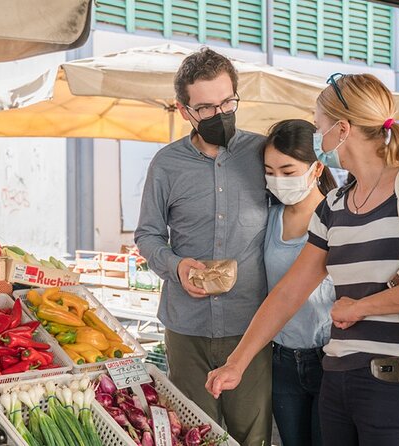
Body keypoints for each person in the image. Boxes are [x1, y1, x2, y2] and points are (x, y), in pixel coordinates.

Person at [206, 73, 399, 446]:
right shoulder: (335, 205)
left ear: (343, 129)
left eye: (319, 127)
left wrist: (361, 307)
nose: (317, 137)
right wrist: (238, 362)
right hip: (338, 383)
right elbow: (287, 293)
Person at [134, 47, 272, 445]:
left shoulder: (262, 153)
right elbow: (147, 234)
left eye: (228, 102)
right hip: (186, 328)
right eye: (207, 107)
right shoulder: (166, 164)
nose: (221, 114)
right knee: (196, 436)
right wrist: (176, 267)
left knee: (253, 436)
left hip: (250, 329)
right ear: (185, 111)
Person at [263, 119, 337, 446]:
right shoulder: (269, 218)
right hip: (281, 361)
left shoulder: (339, 217)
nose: (277, 180)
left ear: (317, 168)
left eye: (288, 171)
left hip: (330, 358)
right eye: (270, 171)